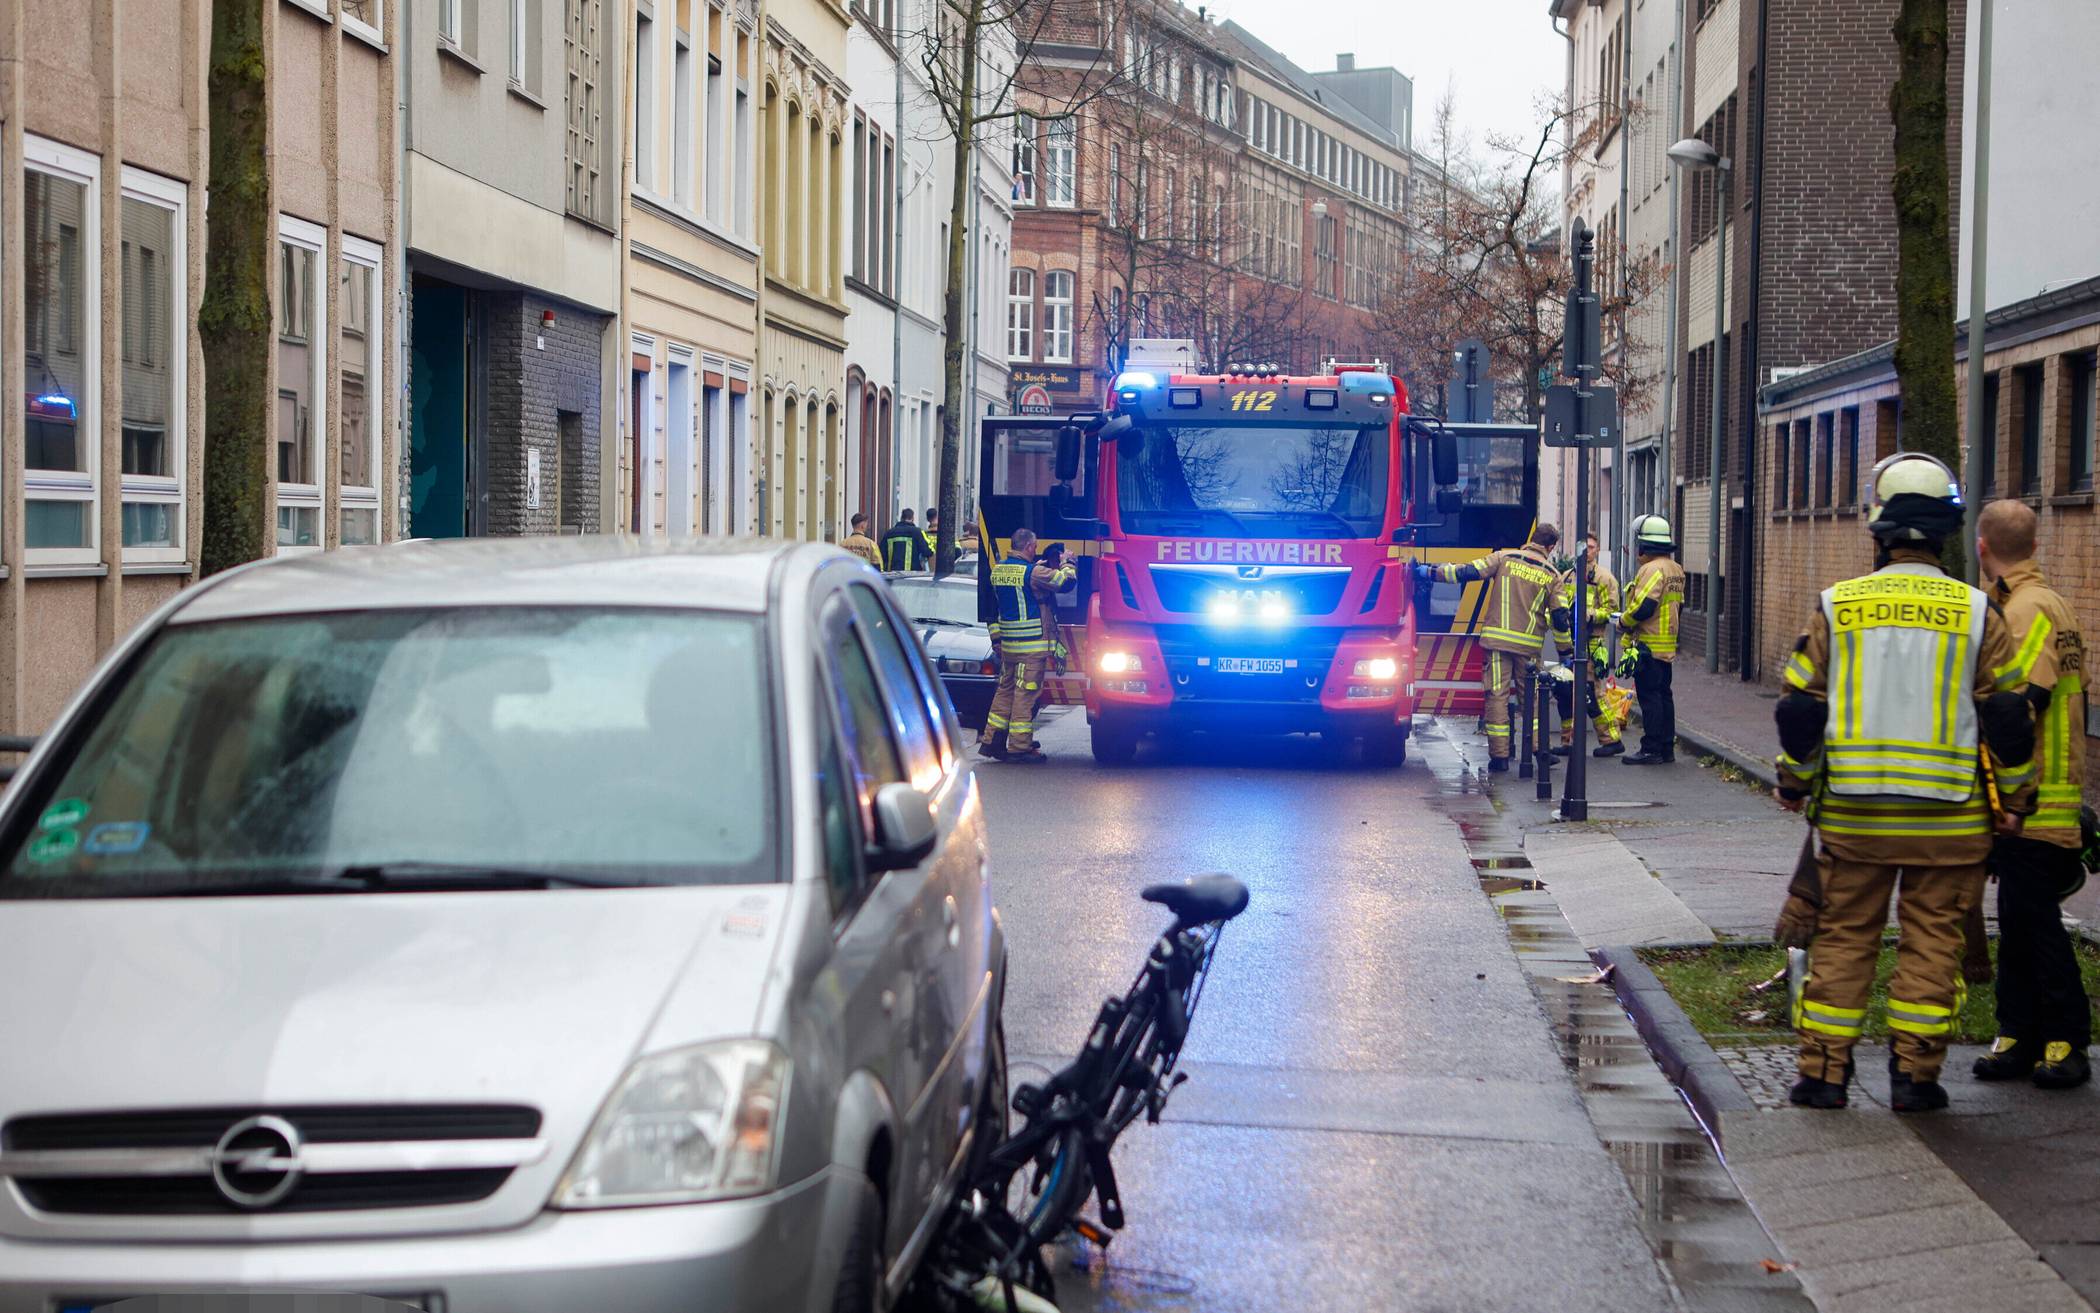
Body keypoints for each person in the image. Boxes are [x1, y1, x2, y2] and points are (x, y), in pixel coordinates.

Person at [1770, 454, 2037, 1113]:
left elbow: (1800, 708)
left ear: (1878, 528)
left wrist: (1795, 784)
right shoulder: (1979, 612)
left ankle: (1824, 1075)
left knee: (1844, 938)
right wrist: (2016, 801)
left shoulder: (1837, 605)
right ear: (1946, 531)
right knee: (1933, 946)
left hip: (1855, 818)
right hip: (1950, 823)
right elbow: (2008, 718)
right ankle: (1915, 1078)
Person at [1971, 499, 2090, 1089]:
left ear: (1982, 547)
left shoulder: (2024, 611)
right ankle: (2018, 1033)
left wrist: (2003, 799)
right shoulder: (2052, 603)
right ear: (2034, 545)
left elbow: (2015, 712)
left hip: (2034, 801)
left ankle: (2066, 1040)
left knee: (2037, 926)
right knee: (2018, 922)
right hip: (2046, 796)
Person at [1412, 523, 1561, 772]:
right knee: (1531, 701)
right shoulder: (1552, 574)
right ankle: (1540, 750)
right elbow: (1560, 618)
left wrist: (1428, 572)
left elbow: (1466, 572)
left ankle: (1499, 757)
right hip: (1528, 648)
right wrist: (1566, 653)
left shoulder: (1504, 557)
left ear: (1532, 539)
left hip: (1497, 642)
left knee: (1497, 696)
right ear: (1551, 547)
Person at [978, 529, 1075, 763]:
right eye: (1034, 546)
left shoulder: (998, 570)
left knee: (1005, 692)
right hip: (1031, 648)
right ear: (1030, 547)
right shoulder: (1033, 573)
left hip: (1009, 647)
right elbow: (1065, 582)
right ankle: (1019, 747)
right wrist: (1068, 562)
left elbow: (997, 605)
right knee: (1025, 695)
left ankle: (993, 741)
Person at [1615, 515, 1686, 766]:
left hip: (1649, 644)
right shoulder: (1675, 569)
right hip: (1666, 644)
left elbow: (1645, 606)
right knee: (1664, 696)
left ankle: (1651, 748)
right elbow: (1679, 606)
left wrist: (1623, 622)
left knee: (1650, 698)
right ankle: (1666, 748)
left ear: (1645, 545)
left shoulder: (1652, 569)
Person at [1549, 532, 1624, 758]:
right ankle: (1568, 741)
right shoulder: (1567, 576)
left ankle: (1612, 740)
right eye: (1584, 547)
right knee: (1565, 692)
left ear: (1597, 550)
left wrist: (1590, 615)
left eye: (1591, 547)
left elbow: (1612, 612)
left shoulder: (1605, 578)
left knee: (1592, 693)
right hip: (1568, 644)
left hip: (1591, 643)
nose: (1587, 551)